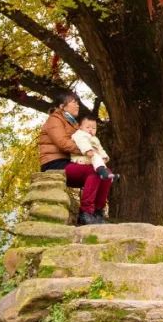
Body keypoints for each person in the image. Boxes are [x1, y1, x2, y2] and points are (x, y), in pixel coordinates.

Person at [37, 93, 113, 225]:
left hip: (70, 162)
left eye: (78, 102)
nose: (78, 104)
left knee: (106, 173)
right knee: (94, 171)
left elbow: (86, 140)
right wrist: (88, 151)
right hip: (54, 163)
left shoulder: (74, 124)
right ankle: (85, 213)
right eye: (73, 102)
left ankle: (98, 212)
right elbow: (62, 142)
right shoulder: (54, 120)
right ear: (62, 107)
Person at [71, 115, 116, 180]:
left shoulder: (95, 138)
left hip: (91, 158)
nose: (91, 129)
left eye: (94, 128)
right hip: (80, 158)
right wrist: (88, 150)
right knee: (96, 157)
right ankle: (103, 173)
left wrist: (104, 157)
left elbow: (100, 148)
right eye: (88, 127)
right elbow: (82, 142)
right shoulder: (79, 134)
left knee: (100, 161)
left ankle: (109, 177)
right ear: (80, 127)